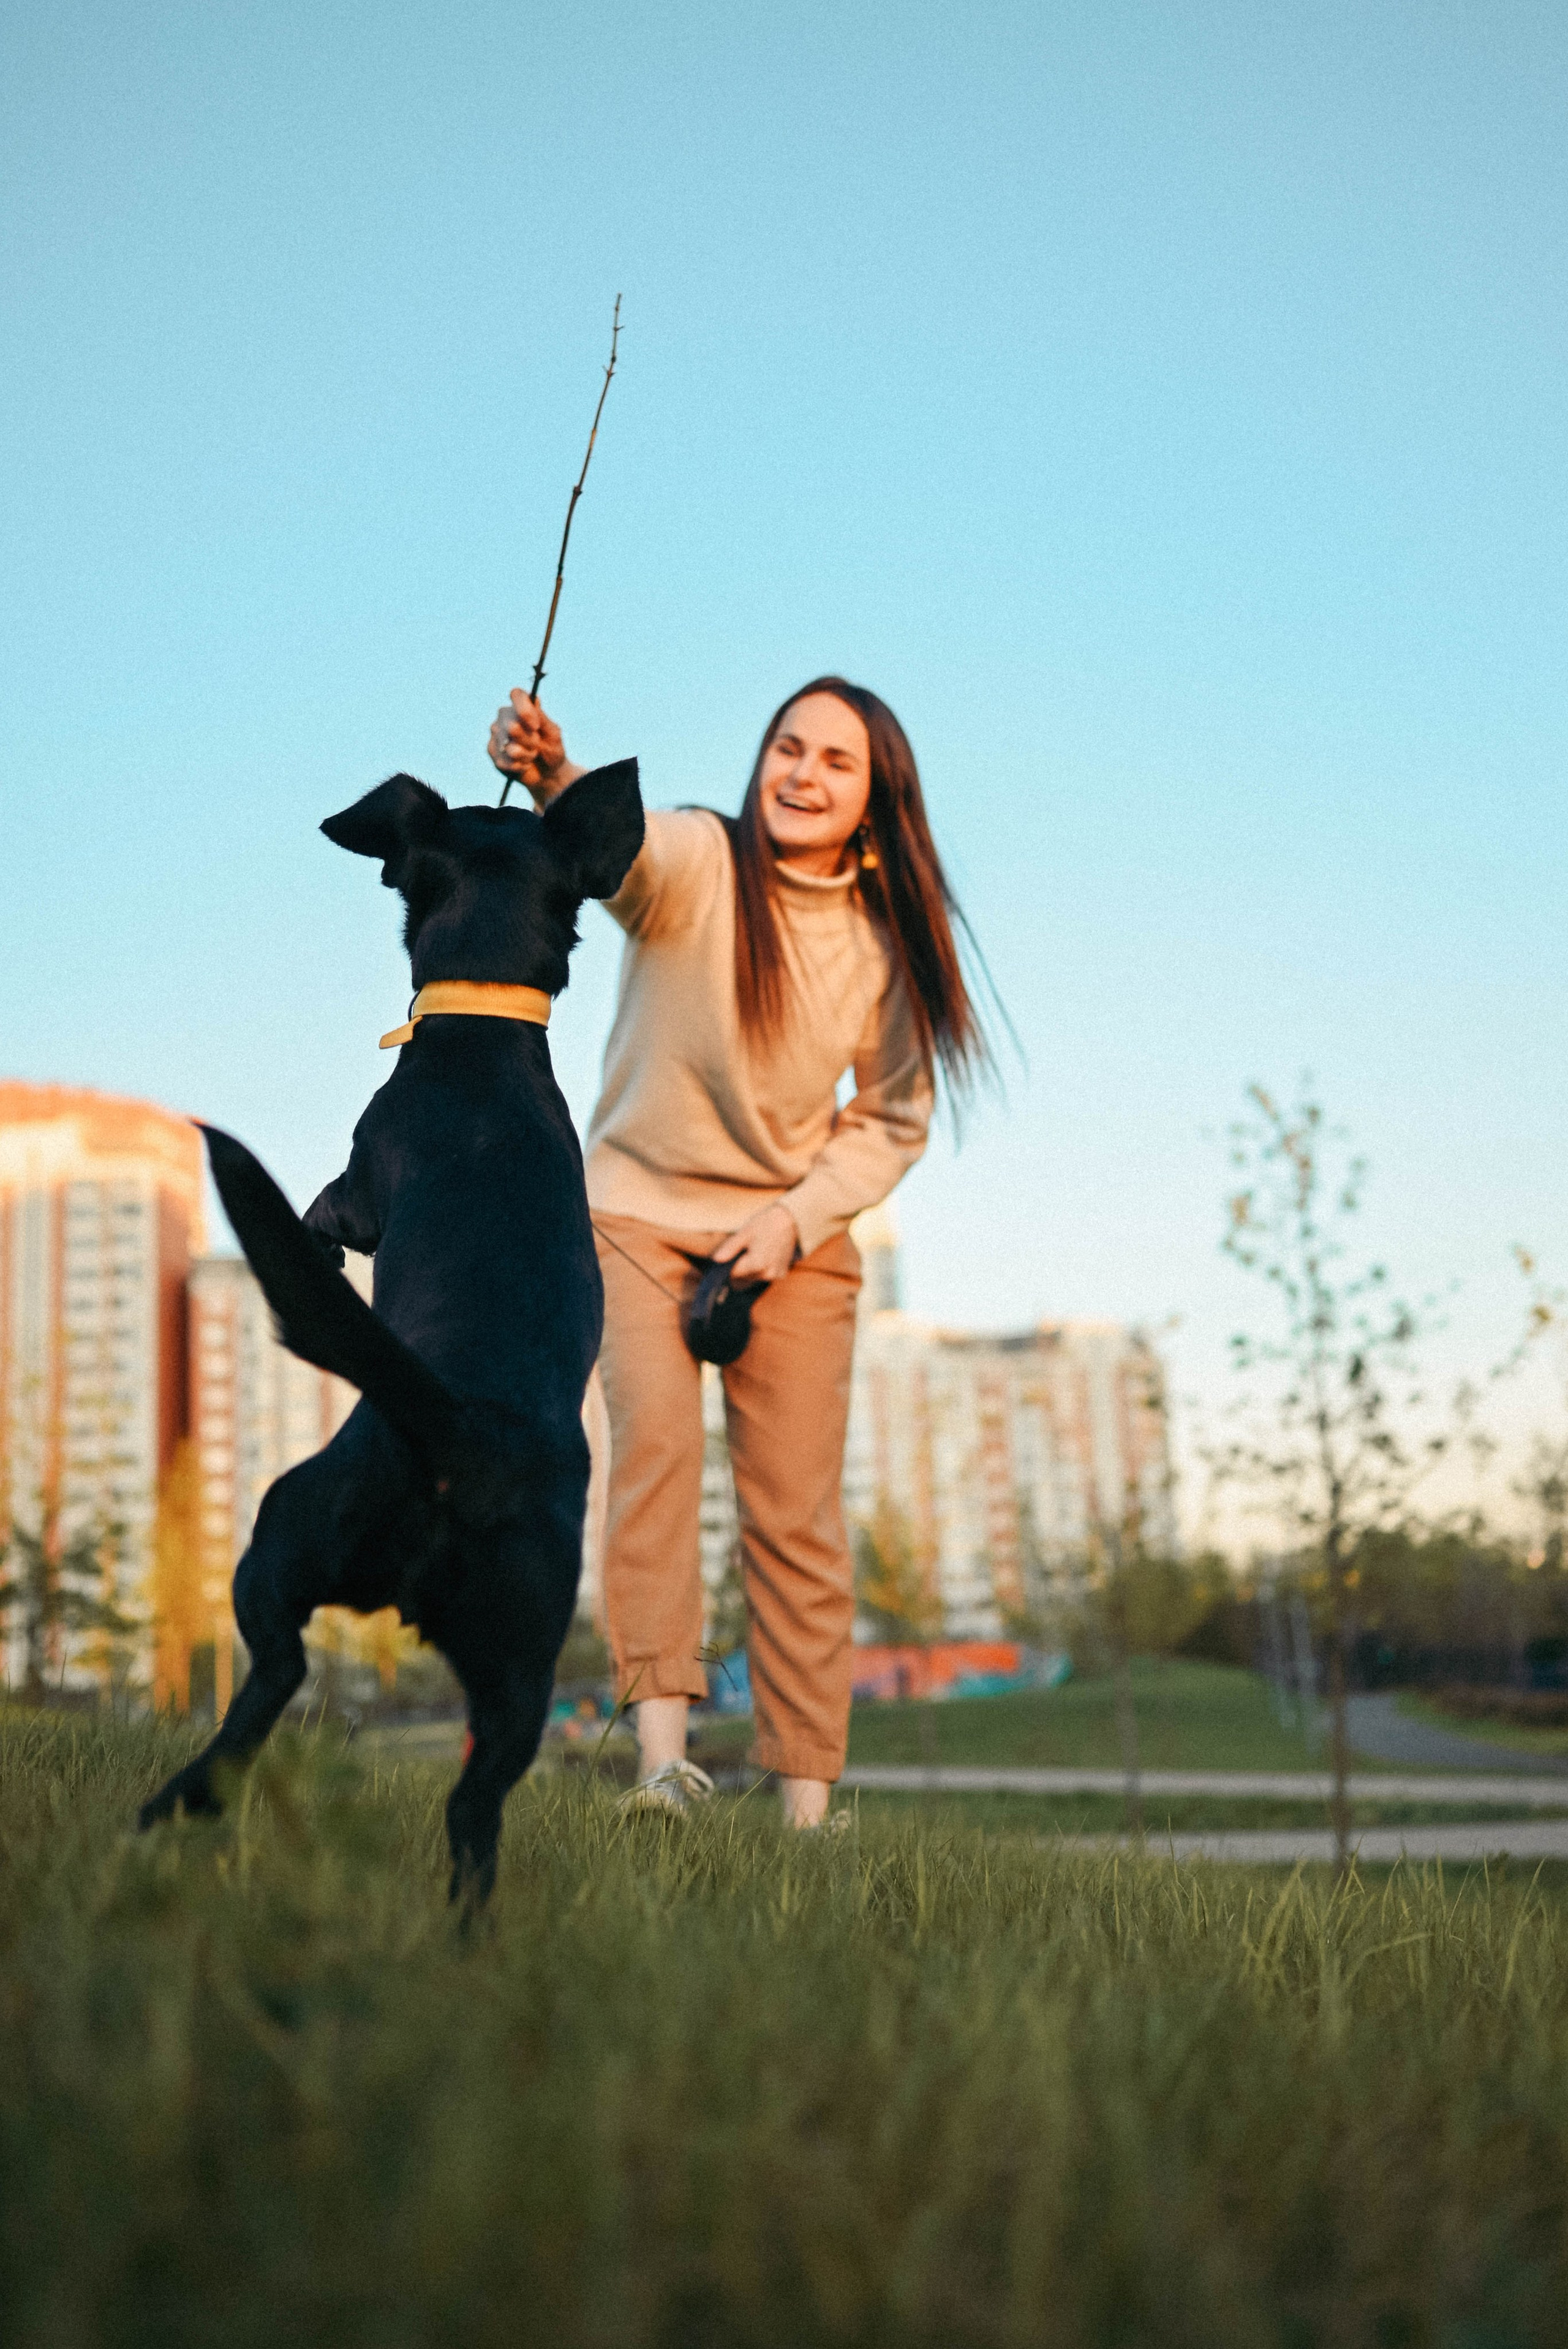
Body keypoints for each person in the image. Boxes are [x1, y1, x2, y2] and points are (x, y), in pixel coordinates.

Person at [488, 677, 990, 1825]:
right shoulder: (702, 865)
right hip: (636, 1219)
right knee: (652, 1465)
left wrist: (793, 1220)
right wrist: (555, 778)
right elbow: (626, 857)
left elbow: (893, 1117)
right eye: (788, 748)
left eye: (835, 764)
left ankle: (807, 1812)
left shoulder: (881, 944)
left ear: (875, 801)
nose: (802, 776)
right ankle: (664, 1769)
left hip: (793, 1243)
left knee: (797, 1517)